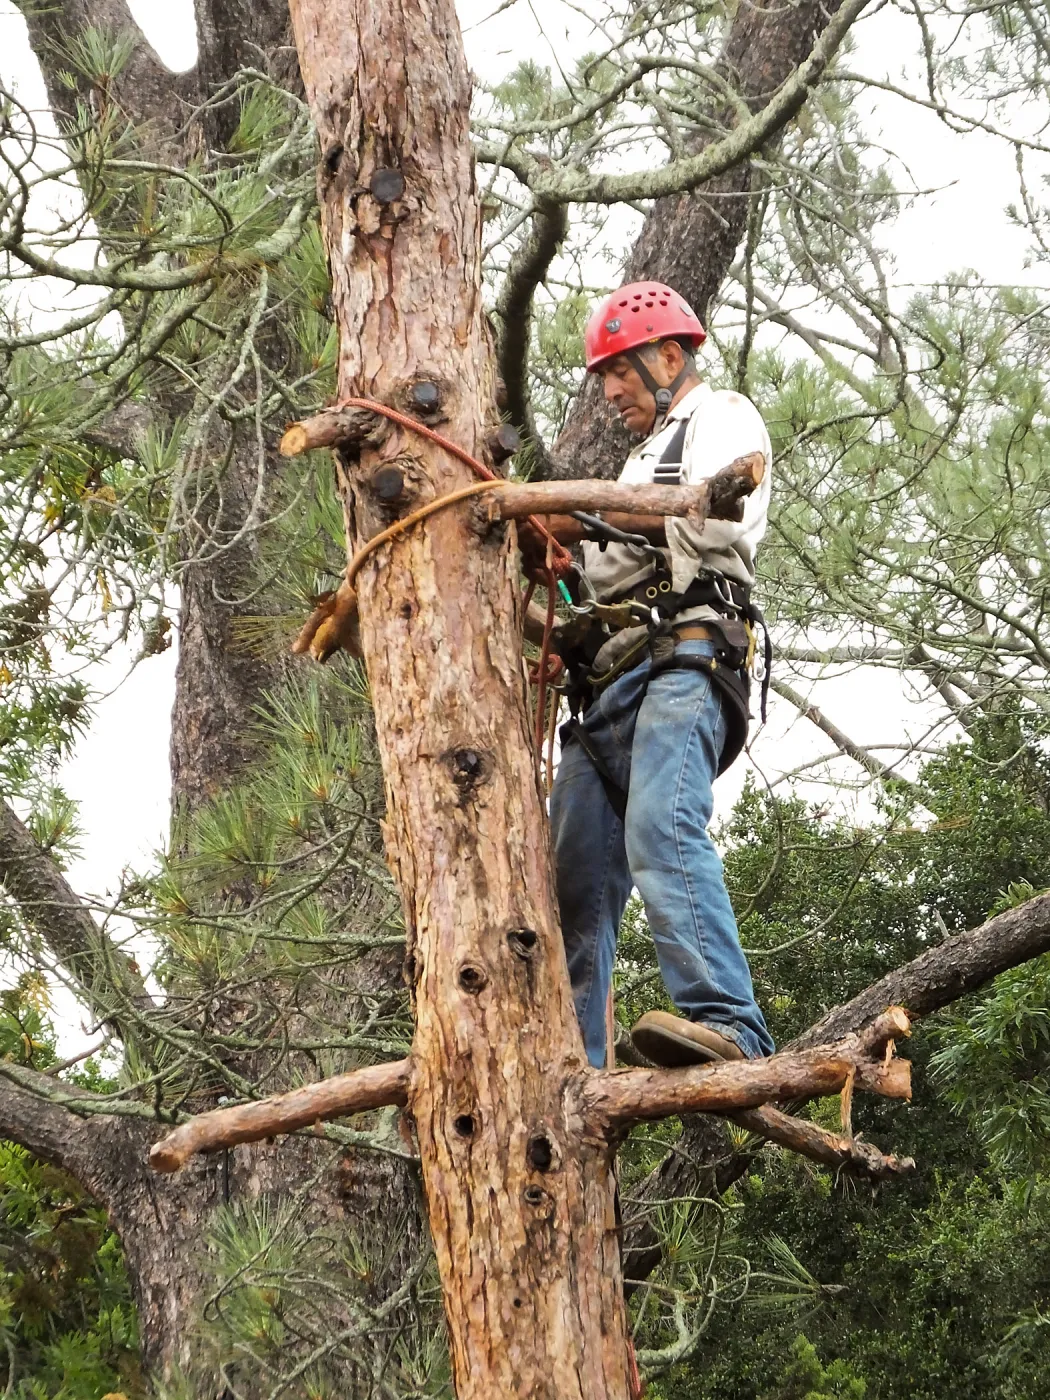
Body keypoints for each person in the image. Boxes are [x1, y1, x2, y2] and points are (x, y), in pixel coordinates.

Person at [547, 281, 776, 1070]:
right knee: (569, 883)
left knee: (661, 827)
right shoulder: (638, 455)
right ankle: (574, 1063)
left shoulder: (722, 418)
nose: (608, 391)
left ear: (669, 356)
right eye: (603, 375)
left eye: (618, 371)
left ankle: (731, 1025)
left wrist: (563, 514)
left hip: (686, 658)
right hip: (610, 686)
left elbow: (698, 507)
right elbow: (603, 581)